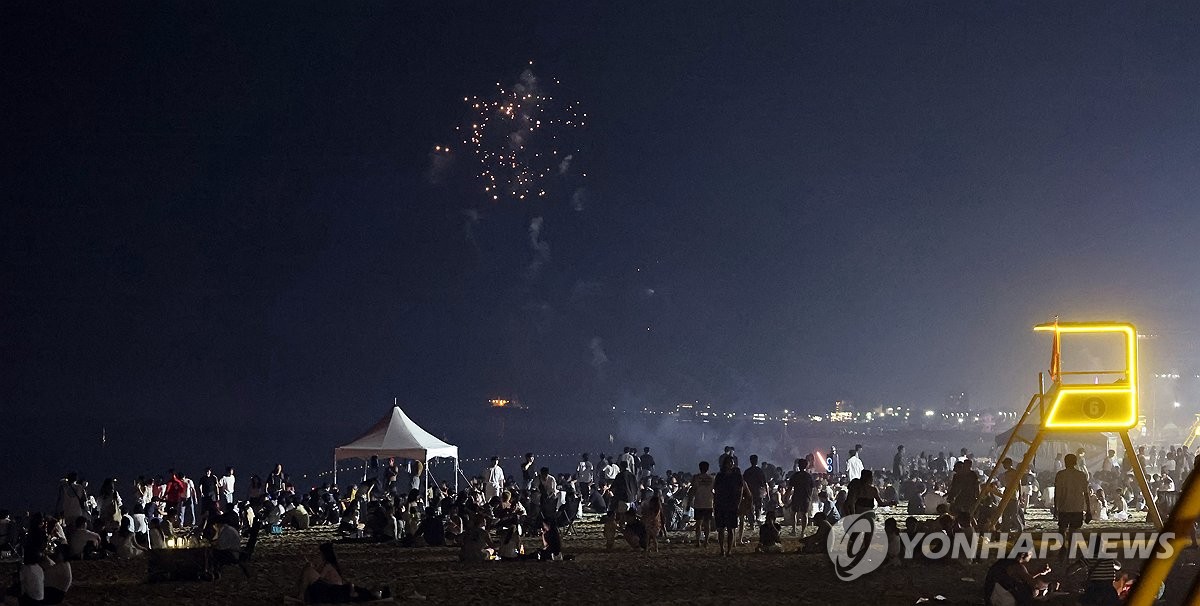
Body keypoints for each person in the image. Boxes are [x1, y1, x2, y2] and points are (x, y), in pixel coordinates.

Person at [298, 542, 388, 603]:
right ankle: (301, 594)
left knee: (308, 570)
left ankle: (301, 595)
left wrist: (351, 586)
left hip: (332, 591)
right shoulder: (365, 591)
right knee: (308, 571)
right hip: (334, 590)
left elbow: (322, 579)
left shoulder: (364, 594)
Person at [1054, 453, 1091, 560]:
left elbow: (1057, 492)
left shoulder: (1060, 475)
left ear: (1065, 463)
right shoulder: (1081, 475)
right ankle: (1070, 550)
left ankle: (1062, 549)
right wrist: (1088, 509)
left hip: (1064, 506)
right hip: (1077, 507)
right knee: (1073, 531)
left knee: (1062, 529)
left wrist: (1056, 507)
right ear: (1075, 462)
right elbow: (1086, 493)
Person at [713, 456, 743, 556]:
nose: (730, 464)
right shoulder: (720, 476)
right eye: (728, 462)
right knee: (721, 529)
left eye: (732, 462)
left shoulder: (737, 476)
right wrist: (715, 502)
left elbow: (740, 490)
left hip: (732, 504)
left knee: (731, 529)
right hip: (721, 504)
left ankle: (729, 550)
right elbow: (715, 490)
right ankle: (722, 549)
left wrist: (738, 504)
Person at [688, 461, 715, 548]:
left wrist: (689, 502)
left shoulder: (696, 478)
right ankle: (706, 541)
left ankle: (698, 541)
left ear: (700, 468)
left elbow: (692, 491)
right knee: (707, 524)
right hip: (708, 503)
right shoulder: (711, 478)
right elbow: (715, 491)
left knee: (698, 524)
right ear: (708, 468)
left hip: (698, 503)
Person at [785, 458, 814, 536]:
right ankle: (802, 532)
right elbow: (812, 487)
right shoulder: (808, 476)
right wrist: (809, 497)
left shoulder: (795, 476)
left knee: (793, 513)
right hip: (805, 497)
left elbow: (790, 488)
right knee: (804, 514)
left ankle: (794, 531)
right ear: (806, 466)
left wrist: (786, 498)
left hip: (797, 496)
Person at [743, 455, 767, 530]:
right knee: (758, 507)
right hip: (758, 492)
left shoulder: (747, 471)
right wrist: (766, 492)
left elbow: (743, 482)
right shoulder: (759, 471)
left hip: (749, 492)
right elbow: (764, 482)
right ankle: (758, 520)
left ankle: (752, 523)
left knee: (749, 508)